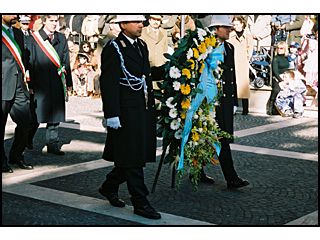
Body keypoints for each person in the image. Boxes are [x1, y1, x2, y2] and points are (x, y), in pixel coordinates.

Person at [99, 15, 161, 219]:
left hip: (141, 110)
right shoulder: (113, 48)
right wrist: (112, 114)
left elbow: (146, 74)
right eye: (135, 21)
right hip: (124, 113)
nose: (140, 24)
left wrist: (173, 69)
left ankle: (109, 186)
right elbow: (108, 84)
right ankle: (140, 202)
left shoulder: (141, 45)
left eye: (141, 21)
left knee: (131, 155)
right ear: (123, 24)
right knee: (133, 158)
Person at [200, 15, 249, 189]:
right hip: (206, 101)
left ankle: (225, 176)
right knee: (207, 137)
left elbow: (231, 75)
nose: (230, 30)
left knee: (222, 138)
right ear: (216, 28)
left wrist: (234, 99)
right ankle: (228, 177)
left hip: (225, 101)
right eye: (226, 27)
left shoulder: (229, 47)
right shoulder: (204, 45)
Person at [27, 15, 73, 155]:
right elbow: (31, 61)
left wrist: (69, 82)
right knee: (35, 115)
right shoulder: (34, 38)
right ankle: (27, 139)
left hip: (57, 81)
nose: (54, 24)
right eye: (51, 21)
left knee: (55, 114)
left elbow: (66, 61)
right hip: (40, 82)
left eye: (56, 21)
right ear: (44, 21)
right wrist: (30, 84)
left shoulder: (61, 38)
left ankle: (52, 144)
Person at [2, 15, 33, 173]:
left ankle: (17, 155)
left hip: (19, 84)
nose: (15, 15)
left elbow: (23, 58)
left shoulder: (18, 32)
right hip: (3, 84)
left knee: (25, 122)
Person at [228, 15, 253, 115]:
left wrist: (247, 58)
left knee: (243, 85)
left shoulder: (247, 35)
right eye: (234, 24)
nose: (235, 26)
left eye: (237, 24)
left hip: (243, 62)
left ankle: (245, 109)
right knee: (233, 84)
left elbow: (250, 48)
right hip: (233, 61)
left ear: (242, 24)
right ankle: (233, 107)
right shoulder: (231, 35)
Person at [140, 15, 168, 89]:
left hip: (161, 66)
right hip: (148, 66)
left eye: (158, 20)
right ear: (149, 20)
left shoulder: (164, 32)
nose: (156, 22)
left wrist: (164, 60)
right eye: (154, 19)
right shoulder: (143, 32)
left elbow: (165, 48)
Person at [267, 41, 290, 115]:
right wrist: (281, 80)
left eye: (281, 48)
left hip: (286, 77)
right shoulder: (275, 59)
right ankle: (271, 106)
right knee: (277, 89)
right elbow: (275, 71)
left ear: (285, 49)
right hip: (277, 77)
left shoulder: (287, 58)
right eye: (278, 48)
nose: (279, 49)